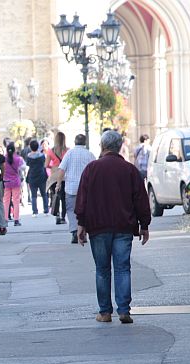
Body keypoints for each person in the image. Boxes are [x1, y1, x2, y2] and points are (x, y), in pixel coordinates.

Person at [75, 130, 151, 324]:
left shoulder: (92, 169)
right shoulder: (129, 170)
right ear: (120, 146)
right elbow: (141, 199)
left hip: (98, 227)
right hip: (124, 226)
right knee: (123, 268)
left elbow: (82, 199)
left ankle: (105, 312)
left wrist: (81, 224)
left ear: (102, 146)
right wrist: (144, 224)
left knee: (102, 269)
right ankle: (124, 310)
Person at [56, 134, 96, 243]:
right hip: (86, 188)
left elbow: (61, 170)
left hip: (71, 188)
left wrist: (58, 184)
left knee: (71, 210)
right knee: (85, 210)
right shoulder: (89, 155)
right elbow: (94, 171)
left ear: (74, 141)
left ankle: (74, 231)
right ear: (85, 142)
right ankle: (84, 232)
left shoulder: (69, 154)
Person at [46, 131, 68, 224]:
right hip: (64, 176)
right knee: (64, 198)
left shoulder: (51, 151)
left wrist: (54, 167)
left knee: (56, 195)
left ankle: (57, 214)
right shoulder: (67, 150)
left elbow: (46, 165)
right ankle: (63, 217)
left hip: (54, 177)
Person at [3, 142, 25, 227]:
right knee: (16, 201)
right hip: (16, 181)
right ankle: (16, 219)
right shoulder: (18, 159)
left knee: (6, 201)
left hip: (6, 182)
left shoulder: (4, 159)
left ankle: (5, 219)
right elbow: (23, 167)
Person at [25, 140, 49, 217]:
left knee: (34, 195)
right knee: (44, 194)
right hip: (41, 175)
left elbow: (28, 164)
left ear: (30, 147)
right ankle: (46, 210)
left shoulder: (28, 156)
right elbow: (44, 164)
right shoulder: (42, 156)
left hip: (32, 176)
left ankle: (35, 212)